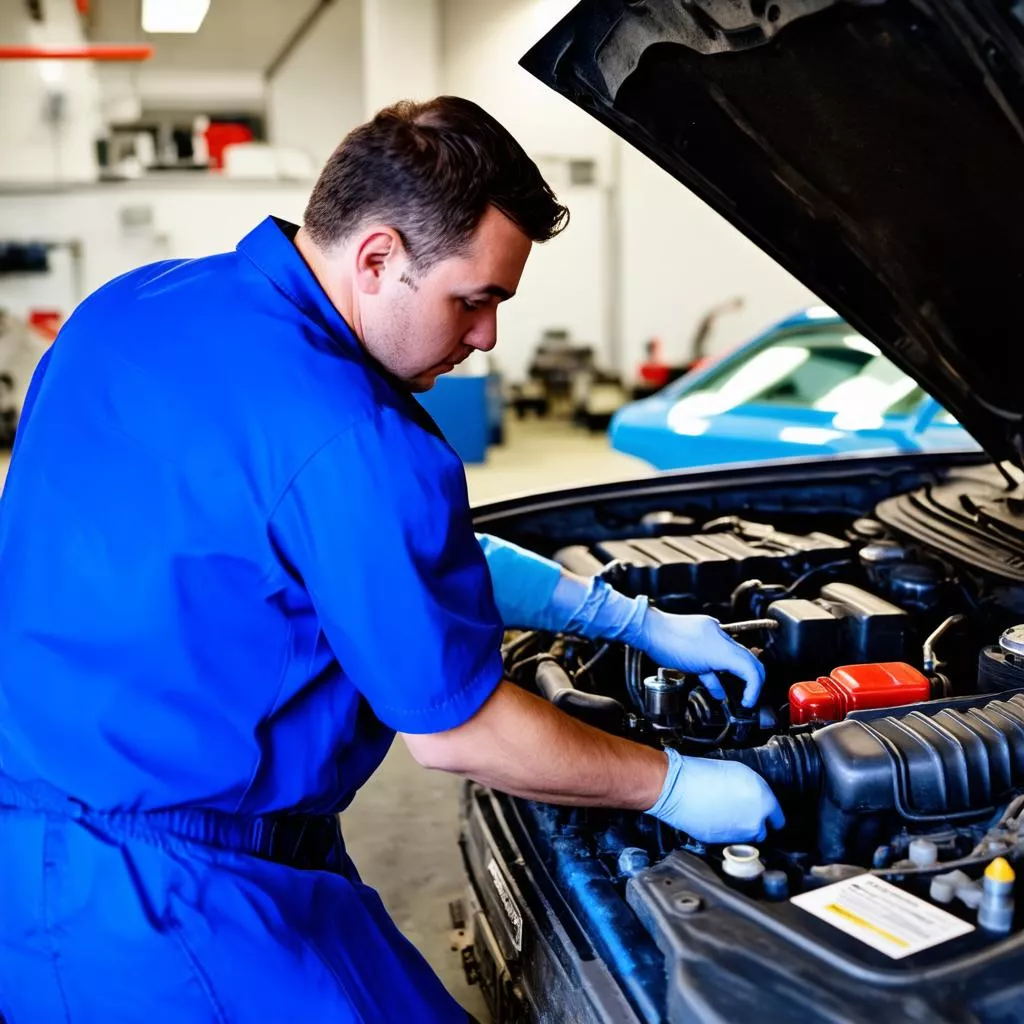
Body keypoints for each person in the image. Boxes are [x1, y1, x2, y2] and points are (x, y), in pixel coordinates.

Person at [0, 97, 782, 1023]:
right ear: (377, 257)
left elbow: (369, 561)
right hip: (175, 905)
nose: (487, 336)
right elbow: (457, 731)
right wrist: (676, 783)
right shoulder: (357, 436)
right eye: (475, 298)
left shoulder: (136, 305)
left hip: (37, 845)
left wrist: (620, 615)